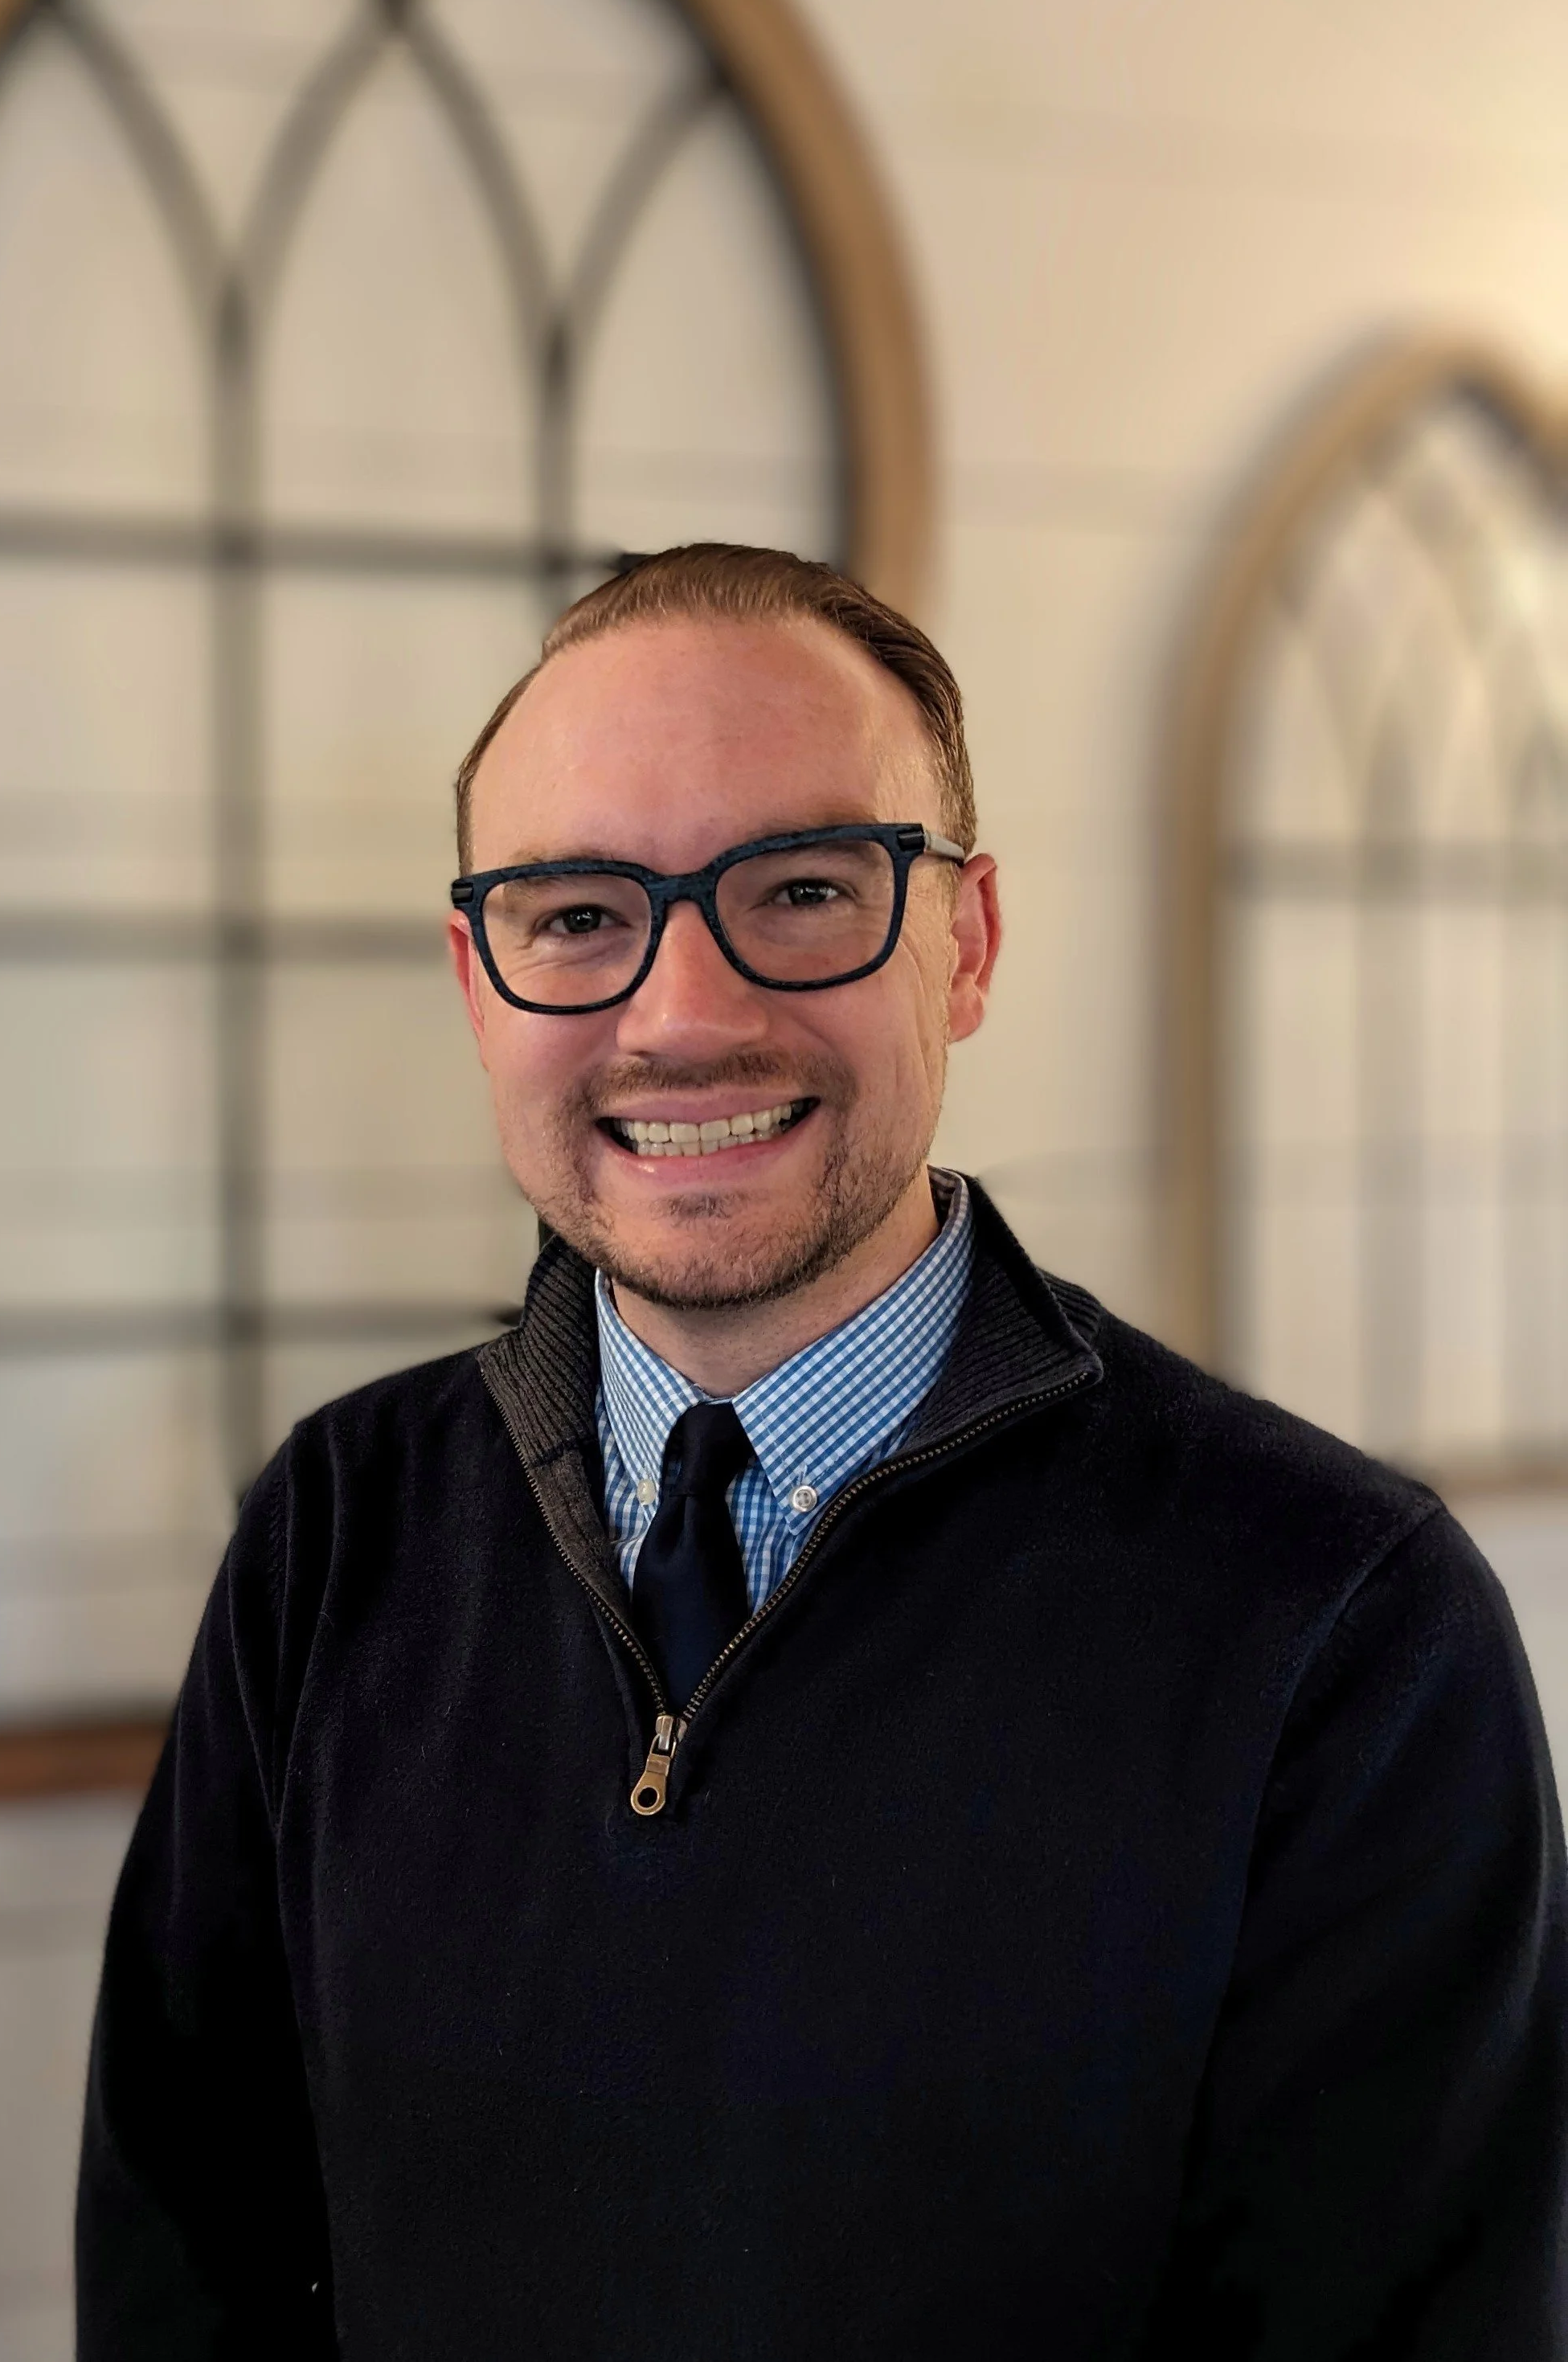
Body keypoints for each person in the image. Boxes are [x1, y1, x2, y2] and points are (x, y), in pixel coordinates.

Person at [76, 544, 1567, 2360]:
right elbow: (189, 2276)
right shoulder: (333, 1537)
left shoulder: (1338, 1628)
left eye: (798, 887)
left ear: (969, 945)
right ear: (476, 980)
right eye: (576, 915)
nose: (686, 1012)